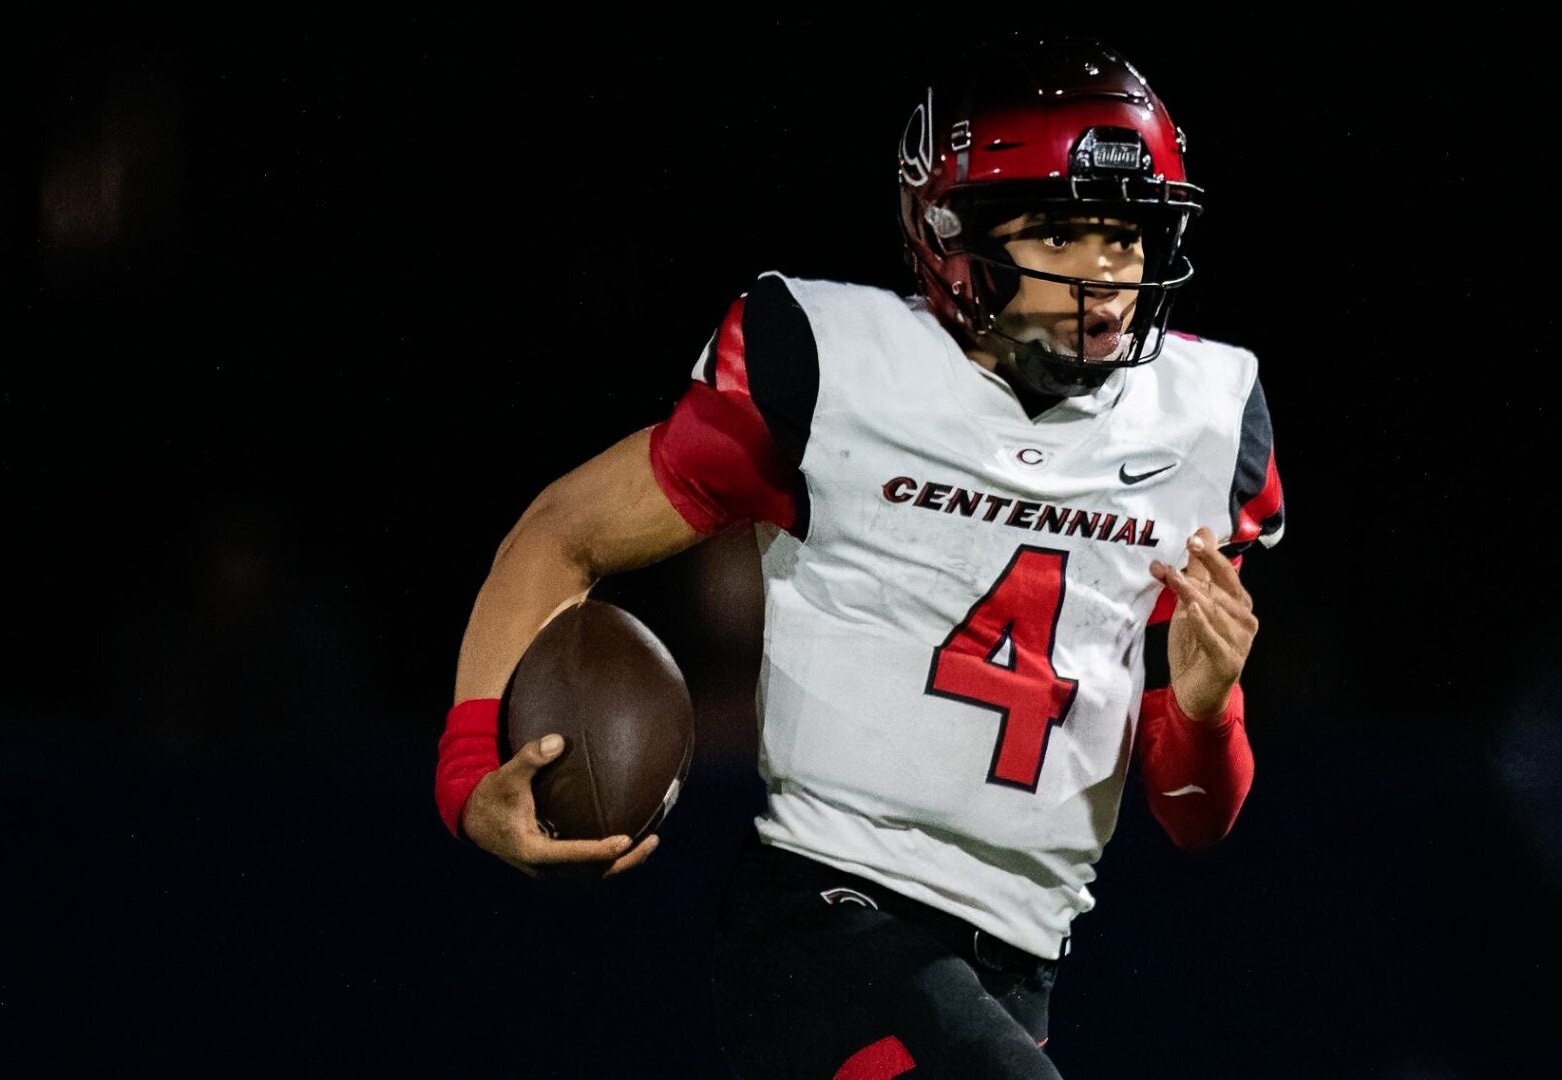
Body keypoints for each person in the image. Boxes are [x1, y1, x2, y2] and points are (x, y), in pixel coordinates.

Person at [433, 33, 1285, 1079]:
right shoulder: (835, 369)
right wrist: (467, 770)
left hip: (1021, 963)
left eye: (1127, 234)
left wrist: (1204, 710)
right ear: (951, 233)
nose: (1105, 277)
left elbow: (1197, 820)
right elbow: (563, 533)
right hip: (827, 926)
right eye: (1062, 233)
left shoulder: (1202, 426)